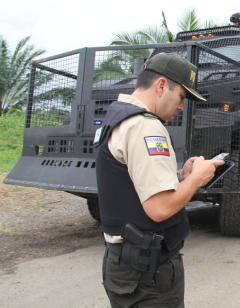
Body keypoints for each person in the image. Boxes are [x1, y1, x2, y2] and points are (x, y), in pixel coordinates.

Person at [95, 53, 224, 307]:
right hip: (148, 276)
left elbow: (130, 184)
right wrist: (197, 179)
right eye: (181, 97)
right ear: (162, 85)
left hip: (124, 265)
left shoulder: (118, 116)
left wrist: (181, 179)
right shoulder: (145, 126)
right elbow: (160, 207)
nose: (181, 106)